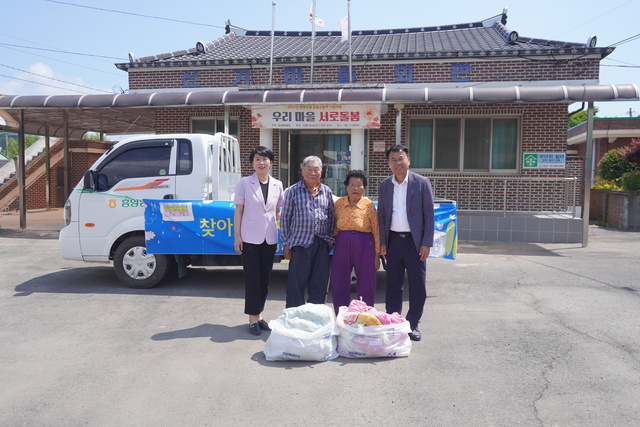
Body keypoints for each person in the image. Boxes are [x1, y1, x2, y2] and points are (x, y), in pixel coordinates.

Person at [378, 144, 434, 342]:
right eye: (393, 160)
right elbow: (382, 215)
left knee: (418, 285)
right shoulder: (385, 185)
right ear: (388, 164)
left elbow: (429, 214)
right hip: (393, 241)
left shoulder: (421, 183)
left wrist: (426, 242)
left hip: (415, 243)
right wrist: (382, 242)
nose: (397, 163)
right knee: (393, 284)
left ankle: (412, 324)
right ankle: (394, 322)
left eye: (400, 158)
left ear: (408, 160)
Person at [233, 146, 284, 336]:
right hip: (250, 238)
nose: (261, 163)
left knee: (265, 279)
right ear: (252, 163)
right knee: (253, 279)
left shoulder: (278, 184)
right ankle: (252, 319)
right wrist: (237, 237)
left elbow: (279, 211)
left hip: (269, 238)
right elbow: (238, 212)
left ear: (271, 162)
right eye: (257, 159)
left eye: (265, 159)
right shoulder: (245, 183)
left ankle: (260, 316)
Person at [280, 156, 335, 308]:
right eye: (309, 169)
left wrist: (329, 240)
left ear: (321, 172)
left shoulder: (327, 191)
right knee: (296, 283)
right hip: (300, 243)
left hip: (321, 243)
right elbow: (285, 219)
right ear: (302, 171)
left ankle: (314, 317)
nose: (313, 173)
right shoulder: (292, 191)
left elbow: (331, 217)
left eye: (316, 170)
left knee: (319, 282)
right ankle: (294, 317)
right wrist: (286, 243)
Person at [330, 170, 380, 314]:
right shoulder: (339, 203)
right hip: (342, 243)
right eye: (352, 185)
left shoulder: (369, 205)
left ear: (364, 187)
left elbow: (376, 229)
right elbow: (333, 224)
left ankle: (364, 315)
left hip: (364, 243)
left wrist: (377, 254)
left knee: (366, 281)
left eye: (359, 185)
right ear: (346, 187)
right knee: (339, 280)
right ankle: (342, 315)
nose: (355, 188)